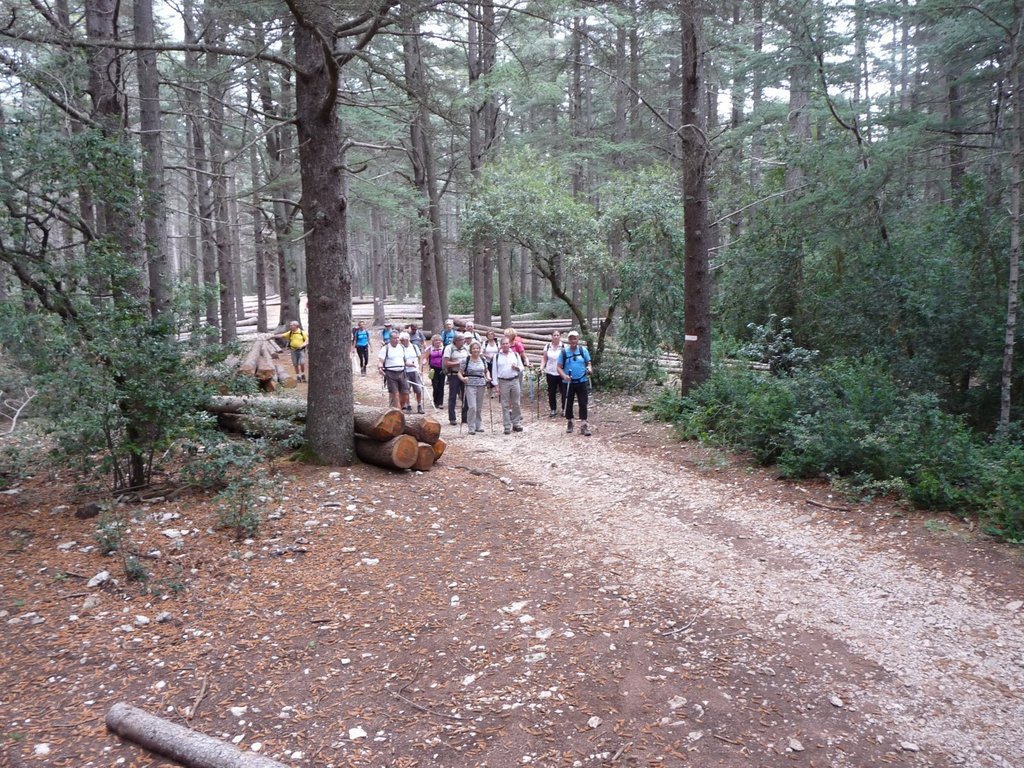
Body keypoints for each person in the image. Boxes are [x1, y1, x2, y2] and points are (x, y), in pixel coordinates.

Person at [557, 330, 593, 436]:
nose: (573, 340)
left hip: (582, 380)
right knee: (568, 403)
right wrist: (564, 376)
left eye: (575, 338)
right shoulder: (564, 352)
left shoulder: (583, 350)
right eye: (571, 338)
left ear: (578, 339)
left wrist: (589, 369)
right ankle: (570, 422)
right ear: (568, 340)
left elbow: (589, 363)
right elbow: (558, 367)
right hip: (568, 382)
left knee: (583, 403)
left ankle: (584, 424)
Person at [492, 335, 524, 434]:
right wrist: (496, 385)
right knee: (505, 404)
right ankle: (506, 426)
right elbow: (494, 371)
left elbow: (522, 367)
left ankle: (516, 423)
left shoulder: (515, 355)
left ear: (509, 344)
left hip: (515, 380)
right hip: (503, 381)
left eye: (507, 343)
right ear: (501, 345)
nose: (505, 345)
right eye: (503, 344)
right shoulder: (496, 356)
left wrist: (517, 368)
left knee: (516, 403)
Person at [458, 341, 490, 434]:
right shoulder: (466, 360)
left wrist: (488, 377)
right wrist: (463, 379)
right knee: (472, 407)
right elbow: (460, 373)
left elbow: (486, 371)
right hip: (470, 384)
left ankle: (478, 425)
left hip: (481, 384)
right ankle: (471, 427)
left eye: (477, 348)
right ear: (471, 350)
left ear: (480, 350)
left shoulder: (483, 360)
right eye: (474, 348)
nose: (476, 350)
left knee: (479, 407)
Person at [378, 331, 416, 410]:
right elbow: (380, 362)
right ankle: (398, 413)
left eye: (398, 338)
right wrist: (380, 368)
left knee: (405, 393)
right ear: (390, 339)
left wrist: (411, 364)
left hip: (402, 373)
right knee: (395, 394)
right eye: (395, 338)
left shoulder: (401, 347)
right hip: (390, 373)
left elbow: (405, 361)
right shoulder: (385, 348)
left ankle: (398, 410)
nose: (397, 340)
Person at [443, 332, 470, 426]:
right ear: (456, 341)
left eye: (463, 340)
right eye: (461, 340)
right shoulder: (449, 348)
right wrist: (458, 363)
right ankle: (452, 418)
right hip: (453, 374)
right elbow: (446, 363)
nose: (463, 341)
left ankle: (465, 417)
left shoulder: (466, 348)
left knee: (465, 395)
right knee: (453, 396)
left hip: (463, 374)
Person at [542, 330, 565, 417]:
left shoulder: (564, 346)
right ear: (551, 336)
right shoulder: (547, 346)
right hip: (550, 372)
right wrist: (541, 368)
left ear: (560, 336)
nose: (556, 337)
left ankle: (564, 408)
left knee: (564, 391)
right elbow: (544, 359)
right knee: (551, 391)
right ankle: (553, 409)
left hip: (561, 372)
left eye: (557, 335)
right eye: (554, 335)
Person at [400, 331, 424, 414]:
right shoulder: (400, 348)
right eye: (402, 340)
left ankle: (419, 405)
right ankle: (408, 405)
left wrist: (420, 367)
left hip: (415, 371)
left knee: (418, 389)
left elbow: (420, 357)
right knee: (406, 389)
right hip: (405, 371)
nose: (403, 341)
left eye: (404, 340)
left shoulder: (414, 347)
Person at [424, 335, 446, 410]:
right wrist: (424, 363)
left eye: (439, 340)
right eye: (436, 340)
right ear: (433, 341)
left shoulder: (443, 348)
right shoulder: (430, 349)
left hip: (442, 369)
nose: (438, 342)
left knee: (441, 385)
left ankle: (440, 402)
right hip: (433, 369)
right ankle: (435, 401)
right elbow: (426, 357)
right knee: (435, 385)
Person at [481, 330, 500, 397]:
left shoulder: (497, 343)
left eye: (492, 334)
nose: (490, 335)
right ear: (487, 336)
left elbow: (500, 351)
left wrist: (495, 357)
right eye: (489, 334)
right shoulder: (485, 343)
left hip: (496, 362)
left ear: (494, 335)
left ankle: (495, 390)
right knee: (489, 375)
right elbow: (482, 352)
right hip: (488, 362)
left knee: (495, 375)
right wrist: (488, 356)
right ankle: (490, 391)